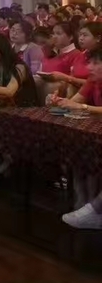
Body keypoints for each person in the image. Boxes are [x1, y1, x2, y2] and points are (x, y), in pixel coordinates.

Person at [56, 47, 102, 228]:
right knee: (78, 147)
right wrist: (59, 102)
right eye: (89, 62)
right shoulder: (93, 80)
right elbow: (75, 101)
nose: (89, 67)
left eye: (96, 63)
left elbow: (82, 106)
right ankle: (84, 201)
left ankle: (93, 209)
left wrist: (84, 108)